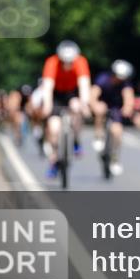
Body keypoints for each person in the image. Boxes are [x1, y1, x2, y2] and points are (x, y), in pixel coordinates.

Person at [40, 40, 92, 179]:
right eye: (65, 62)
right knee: (54, 128)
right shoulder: (52, 62)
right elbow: (48, 86)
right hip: (56, 94)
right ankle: (54, 160)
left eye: (70, 62)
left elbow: (84, 85)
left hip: (72, 93)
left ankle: (76, 140)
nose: (67, 65)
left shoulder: (80, 61)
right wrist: (47, 105)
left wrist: (85, 104)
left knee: (76, 107)